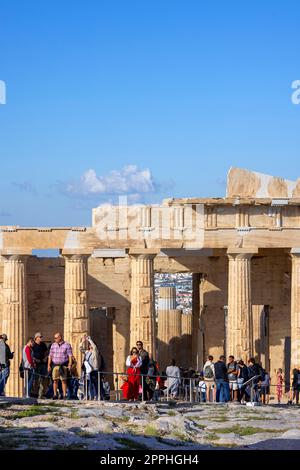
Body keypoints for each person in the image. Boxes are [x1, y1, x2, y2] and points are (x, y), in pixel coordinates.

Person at [47, 332, 73, 400]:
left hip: (63, 365)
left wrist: (70, 364)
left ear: (60, 337)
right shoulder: (53, 345)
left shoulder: (67, 345)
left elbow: (70, 355)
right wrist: (48, 365)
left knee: (63, 380)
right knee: (55, 380)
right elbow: (50, 355)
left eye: (55, 338)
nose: (54, 339)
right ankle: (55, 394)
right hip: (55, 365)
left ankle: (64, 395)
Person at [79, 335, 103, 400]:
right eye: (89, 345)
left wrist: (89, 340)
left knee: (95, 384)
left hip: (94, 370)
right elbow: (80, 348)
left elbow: (94, 347)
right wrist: (83, 341)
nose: (90, 346)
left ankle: (97, 396)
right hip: (88, 371)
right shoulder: (87, 352)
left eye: (91, 345)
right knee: (87, 384)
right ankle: (87, 395)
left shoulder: (95, 352)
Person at [32, 332, 49, 399]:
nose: (41, 338)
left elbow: (46, 352)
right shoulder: (33, 345)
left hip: (43, 364)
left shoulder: (43, 344)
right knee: (36, 380)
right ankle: (35, 393)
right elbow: (31, 354)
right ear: (36, 338)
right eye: (40, 337)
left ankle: (42, 394)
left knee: (44, 379)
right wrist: (35, 359)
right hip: (37, 364)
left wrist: (45, 358)